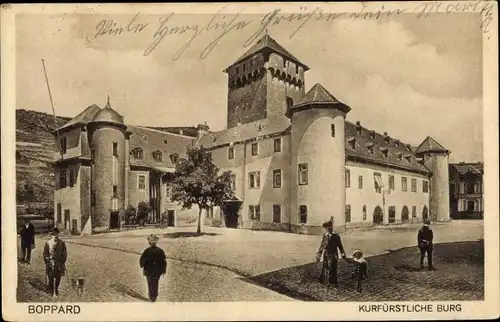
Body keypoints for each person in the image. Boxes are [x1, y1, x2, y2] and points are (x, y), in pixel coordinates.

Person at [315, 220, 346, 289]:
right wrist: (319, 255)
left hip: (333, 254)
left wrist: (343, 254)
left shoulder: (336, 236)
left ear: (332, 228)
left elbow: (340, 246)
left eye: (329, 228)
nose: (328, 229)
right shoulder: (325, 236)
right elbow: (322, 245)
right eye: (327, 228)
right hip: (326, 254)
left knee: (333, 268)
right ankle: (323, 280)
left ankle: (333, 282)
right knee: (325, 267)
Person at [139, 234, 167, 302]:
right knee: (156, 282)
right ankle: (154, 296)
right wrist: (163, 270)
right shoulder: (160, 250)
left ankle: (152, 296)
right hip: (158, 271)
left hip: (149, 271)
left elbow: (142, 261)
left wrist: (142, 265)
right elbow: (164, 261)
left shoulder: (147, 251)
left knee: (150, 283)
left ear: (149, 243)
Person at [43, 228, 67, 297]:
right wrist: (47, 260)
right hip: (50, 263)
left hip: (59, 263)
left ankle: (56, 289)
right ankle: (51, 287)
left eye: (56, 234)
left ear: (58, 234)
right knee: (50, 276)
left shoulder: (62, 243)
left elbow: (64, 253)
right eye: (54, 234)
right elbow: (45, 253)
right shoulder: (48, 243)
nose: (55, 236)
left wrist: (62, 261)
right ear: (51, 235)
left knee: (58, 277)